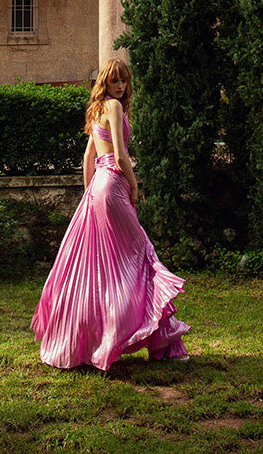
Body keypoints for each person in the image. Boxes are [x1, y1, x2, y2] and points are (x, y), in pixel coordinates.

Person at [31, 57, 190, 371]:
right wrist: (133, 186)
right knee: (141, 256)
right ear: (105, 82)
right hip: (114, 184)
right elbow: (120, 154)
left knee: (101, 266)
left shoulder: (97, 108)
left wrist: (90, 191)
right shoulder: (114, 108)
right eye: (115, 81)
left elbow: (89, 156)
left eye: (123, 81)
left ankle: (95, 340)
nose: (120, 86)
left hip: (98, 188)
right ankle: (163, 345)